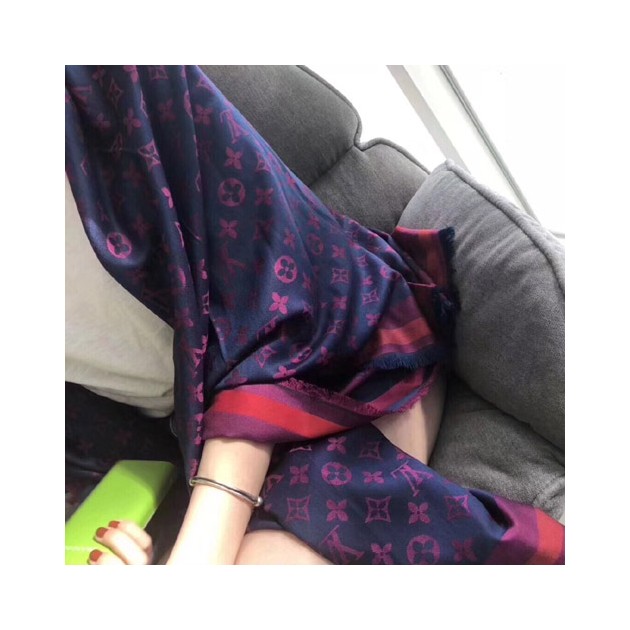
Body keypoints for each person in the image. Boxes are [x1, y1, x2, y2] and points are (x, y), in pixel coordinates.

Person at [65, 65, 564, 564]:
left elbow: (274, 292)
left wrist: (200, 553)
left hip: (337, 358)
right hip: (183, 445)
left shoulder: (106, 75)